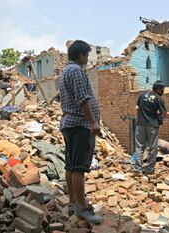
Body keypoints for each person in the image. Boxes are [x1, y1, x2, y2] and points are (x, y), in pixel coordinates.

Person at [59, 40, 102, 224]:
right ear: (81, 55)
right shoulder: (75, 71)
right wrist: (92, 122)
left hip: (70, 124)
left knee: (71, 165)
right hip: (79, 124)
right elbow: (82, 98)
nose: (87, 58)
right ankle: (82, 208)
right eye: (86, 55)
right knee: (78, 168)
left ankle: (72, 202)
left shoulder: (65, 71)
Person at [132, 81, 169, 175]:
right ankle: (149, 170)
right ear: (158, 89)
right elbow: (165, 114)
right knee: (153, 147)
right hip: (152, 126)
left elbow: (136, 108)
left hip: (140, 125)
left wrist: (138, 121)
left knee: (139, 147)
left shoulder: (142, 95)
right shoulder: (159, 99)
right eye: (162, 89)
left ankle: (137, 170)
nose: (163, 91)